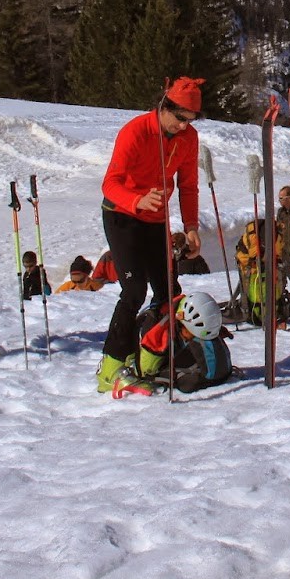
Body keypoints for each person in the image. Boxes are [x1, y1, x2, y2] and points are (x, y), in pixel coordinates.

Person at [93, 77, 205, 394]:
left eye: (190, 120)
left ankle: (150, 355)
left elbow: (188, 186)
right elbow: (110, 183)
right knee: (134, 289)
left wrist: (192, 226)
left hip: (156, 219)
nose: (184, 126)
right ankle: (110, 369)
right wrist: (135, 199)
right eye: (180, 118)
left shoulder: (189, 138)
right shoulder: (136, 131)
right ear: (164, 106)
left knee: (169, 290)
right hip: (122, 214)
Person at [109, 291, 229, 397]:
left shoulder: (183, 323)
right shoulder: (158, 335)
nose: (192, 339)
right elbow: (146, 370)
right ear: (181, 322)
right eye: (191, 334)